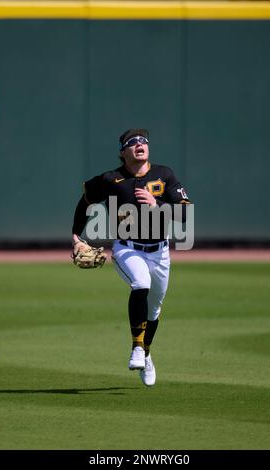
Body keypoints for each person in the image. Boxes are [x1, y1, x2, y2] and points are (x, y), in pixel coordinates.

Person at [72, 128, 190, 387]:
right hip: (128, 248)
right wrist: (76, 236)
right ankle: (137, 347)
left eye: (144, 141)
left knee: (154, 309)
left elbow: (185, 213)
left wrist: (157, 205)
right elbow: (85, 201)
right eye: (132, 142)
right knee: (140, 284)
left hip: (159, 252)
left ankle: (146, 353)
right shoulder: (111, 179)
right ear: (123, 153)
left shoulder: (164, 174)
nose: (140, 144)